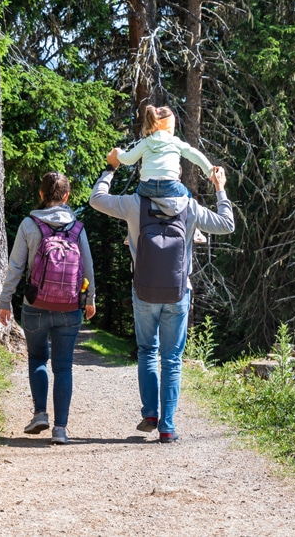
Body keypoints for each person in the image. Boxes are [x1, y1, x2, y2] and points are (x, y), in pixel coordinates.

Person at [89, 157, 234, 443]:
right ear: (177, 175)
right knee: (172, 359)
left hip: (143, 291)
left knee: (147, 351)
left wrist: (111, 168)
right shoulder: (190, 207)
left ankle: (150, 414)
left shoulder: (133, 204)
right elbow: (227, 224)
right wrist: (220, 188)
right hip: (178, 292)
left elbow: (96, 199)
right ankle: (167, 427)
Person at [0, 171, 96, 445]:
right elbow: (87, 266)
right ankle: (61, 429)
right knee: (63, 368)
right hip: (69, 307)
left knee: (38, 358)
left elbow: (15, 266)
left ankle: (40, 413)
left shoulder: (29, 225)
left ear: (41, 195)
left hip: (35, 305)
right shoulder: (77, 227)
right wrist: (90, 299)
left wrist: (5, 301)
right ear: (66, 197)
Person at [109, 104, 213, 243]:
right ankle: (196, 232)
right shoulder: (175, 142)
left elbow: (128, 160)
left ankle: (132, 234)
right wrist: (210, 171)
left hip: (147, 187)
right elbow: (195, 155)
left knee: (136, 204)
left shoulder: (145, 143)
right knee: (188, 199)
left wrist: (118, 153)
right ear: (168, 126)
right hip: (170, 185)